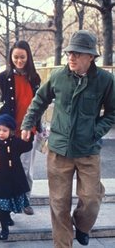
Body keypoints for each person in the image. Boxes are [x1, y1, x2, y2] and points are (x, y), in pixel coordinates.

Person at [21, 30, 115, 247]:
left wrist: (95, 131)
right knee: (59, 203)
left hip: (88, 150)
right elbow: (39, 101)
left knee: (91, 198)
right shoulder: (57, 76)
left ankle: (82, 226)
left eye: (78, 53)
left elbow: (112, 112)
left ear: (91, 56)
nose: (71, 57)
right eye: (69, 52)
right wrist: (27, 124)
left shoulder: (105, 80)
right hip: (58, 151)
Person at [0, 40, 41, 215]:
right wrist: (1, 109)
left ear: (29, 57)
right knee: (7, 169)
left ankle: (26, 200)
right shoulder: (3, 77)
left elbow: (41, 103)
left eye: (23, 57)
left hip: (29, 130)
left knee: (26, 169)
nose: (19, 61)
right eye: (16, 57)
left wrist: (40, 127)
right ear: (11, 57)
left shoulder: (35, 78)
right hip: (8, 132)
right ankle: (8, 204)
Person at [0, 114, 33, 240]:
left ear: (11, 131)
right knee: (2, 204)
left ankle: (8, 217)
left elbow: (27, 147)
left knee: (10, 202)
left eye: (5, 130)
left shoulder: (15, 143)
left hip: (14, 180)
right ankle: (4, 229)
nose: (1, 133)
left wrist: (28, 137)